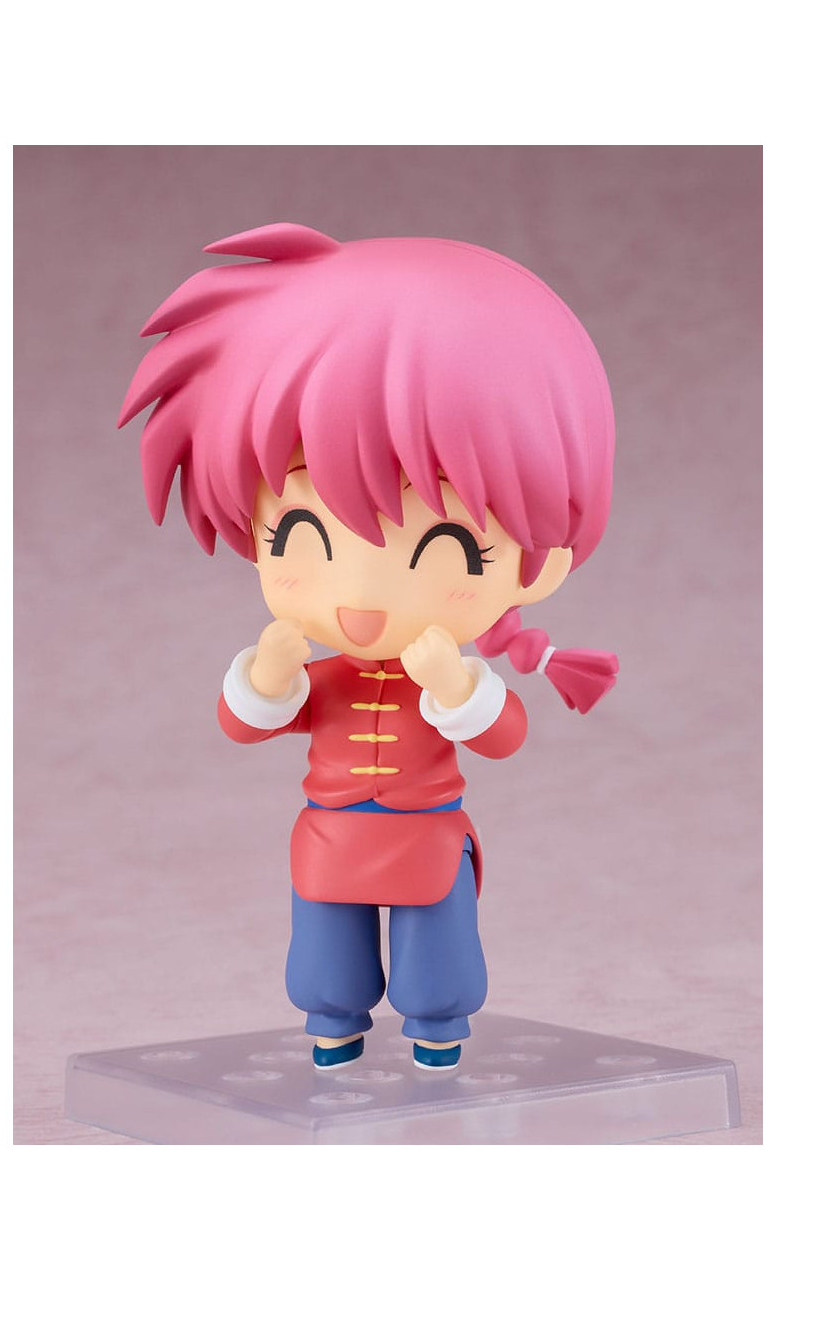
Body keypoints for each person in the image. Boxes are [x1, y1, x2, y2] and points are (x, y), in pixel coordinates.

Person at [119, 222, 618, 1071]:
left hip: (427, 840)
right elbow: (241, 725)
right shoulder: (321, 675)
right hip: (330, 841)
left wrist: (457, 689)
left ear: (542, 562)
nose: (357, 595)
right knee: (325, 955)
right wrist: (266, 677)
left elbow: (504, 736)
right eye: (299, 535)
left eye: (447, 547)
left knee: (436, 958)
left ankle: (437, 1038)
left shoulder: (442, 674)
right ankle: (332, 1027)